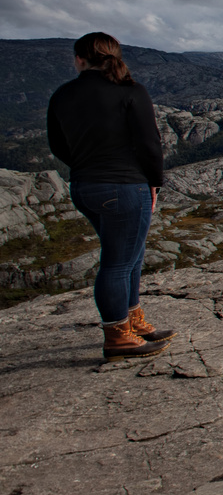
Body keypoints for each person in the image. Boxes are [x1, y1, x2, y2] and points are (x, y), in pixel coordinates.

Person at [47, 33, 176, 362]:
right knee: (119, 263)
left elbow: (57, 146)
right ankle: (118, 337)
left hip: (84, 187)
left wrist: (86, 166)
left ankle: (133, 324)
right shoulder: (130, 92)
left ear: (79, 60)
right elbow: (150, 145)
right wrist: (154, 184)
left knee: (129, 255)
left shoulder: (62, 94)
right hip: (125, 187)